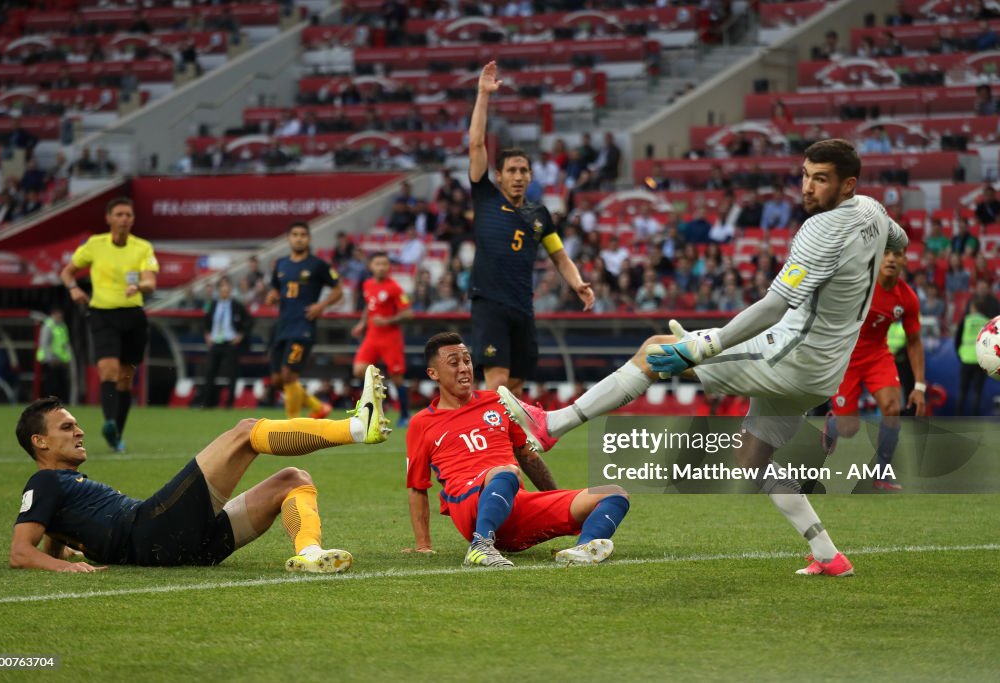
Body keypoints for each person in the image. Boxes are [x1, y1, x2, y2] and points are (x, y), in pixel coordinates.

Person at [498, 139, 908, 577]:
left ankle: (552, 425)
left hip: (791, 356)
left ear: (847, 184)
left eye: (820, 179)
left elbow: (773, 306)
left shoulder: (821, 229)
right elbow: (897, 238)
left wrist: (708, 345)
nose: (807, 187)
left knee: (656, 348)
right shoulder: (872, 210)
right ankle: (828, 555)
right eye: (806, 174)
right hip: (824, 371)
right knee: (753, 459)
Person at [9, 369, 389, 572]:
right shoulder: (44, 480)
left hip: (183, 546)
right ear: (39, 443)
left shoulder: (58, 486)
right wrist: (61, 567)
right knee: (244, 432)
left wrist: (63, 552)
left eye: (75, 424)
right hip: (150, 531)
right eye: (66, 427)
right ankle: (356, 427)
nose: (79, 431)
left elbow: (51, 526)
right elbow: (20, 552)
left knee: (293, 480)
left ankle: (309, 553)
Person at [404, 332, 629, 568]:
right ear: (433, 373)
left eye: (467, 361)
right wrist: (423, 545)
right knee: (506, 472)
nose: (463, 368)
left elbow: (527, 456)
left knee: (614, 493)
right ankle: (480, 544)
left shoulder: (498, 401)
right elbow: (417, 487)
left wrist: (553, 497)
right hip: (468, 504)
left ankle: (584, 548)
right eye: (453, 363)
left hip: (513, 503)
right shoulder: (422, 423)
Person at [467, 61, 594, 396]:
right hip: (489, 303)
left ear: (531, 176)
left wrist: (577, 282)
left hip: (522, 306)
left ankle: (511, 446)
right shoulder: (485, 197)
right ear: (500, 175)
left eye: (524, 170)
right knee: (497, 385)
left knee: (517, 385)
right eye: (512, 170)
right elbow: (476, 145)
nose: (519, 175)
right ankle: (494, 448)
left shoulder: (540, 216)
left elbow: (560, 256)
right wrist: (483, 94)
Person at [820, 249, 926, 491]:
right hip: (846, 357)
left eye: (897, 254)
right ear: (877, 258)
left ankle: (881, 475)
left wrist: (919, 386)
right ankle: (834, 425)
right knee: (849, 428)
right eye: (886, 253)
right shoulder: (858, 283)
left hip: (878, 356)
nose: (890, 259)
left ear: (904, 261)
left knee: (892, 408)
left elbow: (914, 341)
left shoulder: (907, 298)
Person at [60, 198, 158, 453]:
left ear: (133, 219)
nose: (124, 218)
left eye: (128, 214)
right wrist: (73, 290)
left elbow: (150, 281)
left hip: (133, 316)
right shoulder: (95, 245)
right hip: (102, 314)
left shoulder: (143, 247)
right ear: (109, 218)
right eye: (119, 214)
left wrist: (139, 286)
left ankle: (117, 435)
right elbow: (67, 272)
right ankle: (109, 422)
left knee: (126, 378)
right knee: (108, 370)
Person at [265, 222, 342, 420]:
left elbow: (338, 289)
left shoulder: (317, 265)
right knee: (277, 380)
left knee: (289, 374)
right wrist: (272, 295)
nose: (299, 238)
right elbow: (275, 287)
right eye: (295, 234)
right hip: (282, 325)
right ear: (288, 238)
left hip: (303, 327)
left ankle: (293, 423)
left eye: (303, 235)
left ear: (308, 239)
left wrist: (321, 306)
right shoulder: (281, 264)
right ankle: (319, 407)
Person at [351, 253, 413, 426]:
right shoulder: (367, 284)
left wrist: (387, 320)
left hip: (391, 338)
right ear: (371, 266)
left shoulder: (395, 288)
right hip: (372, 336)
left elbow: (408, 313)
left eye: (384, 264)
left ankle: (404, 415)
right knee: (358, 370)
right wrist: (362, 324)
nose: (381, 267)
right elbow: (368, 305)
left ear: (389, 267)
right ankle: (379, 398)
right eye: (378, 264)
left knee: (397, 377)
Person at [201, 276, 252, 409]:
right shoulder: (212, 305)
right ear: (219, 291)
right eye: (223, 289)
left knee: (232, 373)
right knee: (210, 372)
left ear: (230, 291)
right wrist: (207, 334)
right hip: (216, 342)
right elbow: (206, 321)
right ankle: (207, 403)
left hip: (230, 342)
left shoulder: (237, 305)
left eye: (227, 289)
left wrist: (241, 335)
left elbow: (249, 321)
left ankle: (229, 404)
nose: (225, 291)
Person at [955, 297, 991, 416]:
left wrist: (960, 354)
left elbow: (957, 339)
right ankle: (975, 417)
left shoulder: (966, 320)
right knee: (977, 391)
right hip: (981, 360)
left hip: (966, 359)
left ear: (974, 308)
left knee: (963, 390)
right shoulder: (988, 322)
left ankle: (958, 416)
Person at [37, 308, 72, 402]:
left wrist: (68, 359)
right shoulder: (48, 326)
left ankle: (59, 403)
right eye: (58, 314)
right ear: (53, 314)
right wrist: (50, 359)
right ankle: (48, 403)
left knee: (61, 383)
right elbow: (45, 344)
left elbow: (66, 343)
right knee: (51, 383)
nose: (60, 316)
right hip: (50, 361)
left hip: (60, 360)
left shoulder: (62, 326)